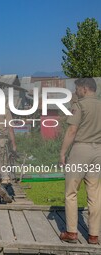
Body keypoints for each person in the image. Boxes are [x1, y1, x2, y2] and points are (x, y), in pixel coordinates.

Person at [59, 78, 101, 245]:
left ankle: (71, 232)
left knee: (71, 192)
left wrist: (62, 153)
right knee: (95, 194)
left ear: (84, 88)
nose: (75, 92)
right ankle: (93, 235)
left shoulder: (80, 105)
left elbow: (72, 130)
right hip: (98, 151)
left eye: (76, 89)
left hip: (80, 150)